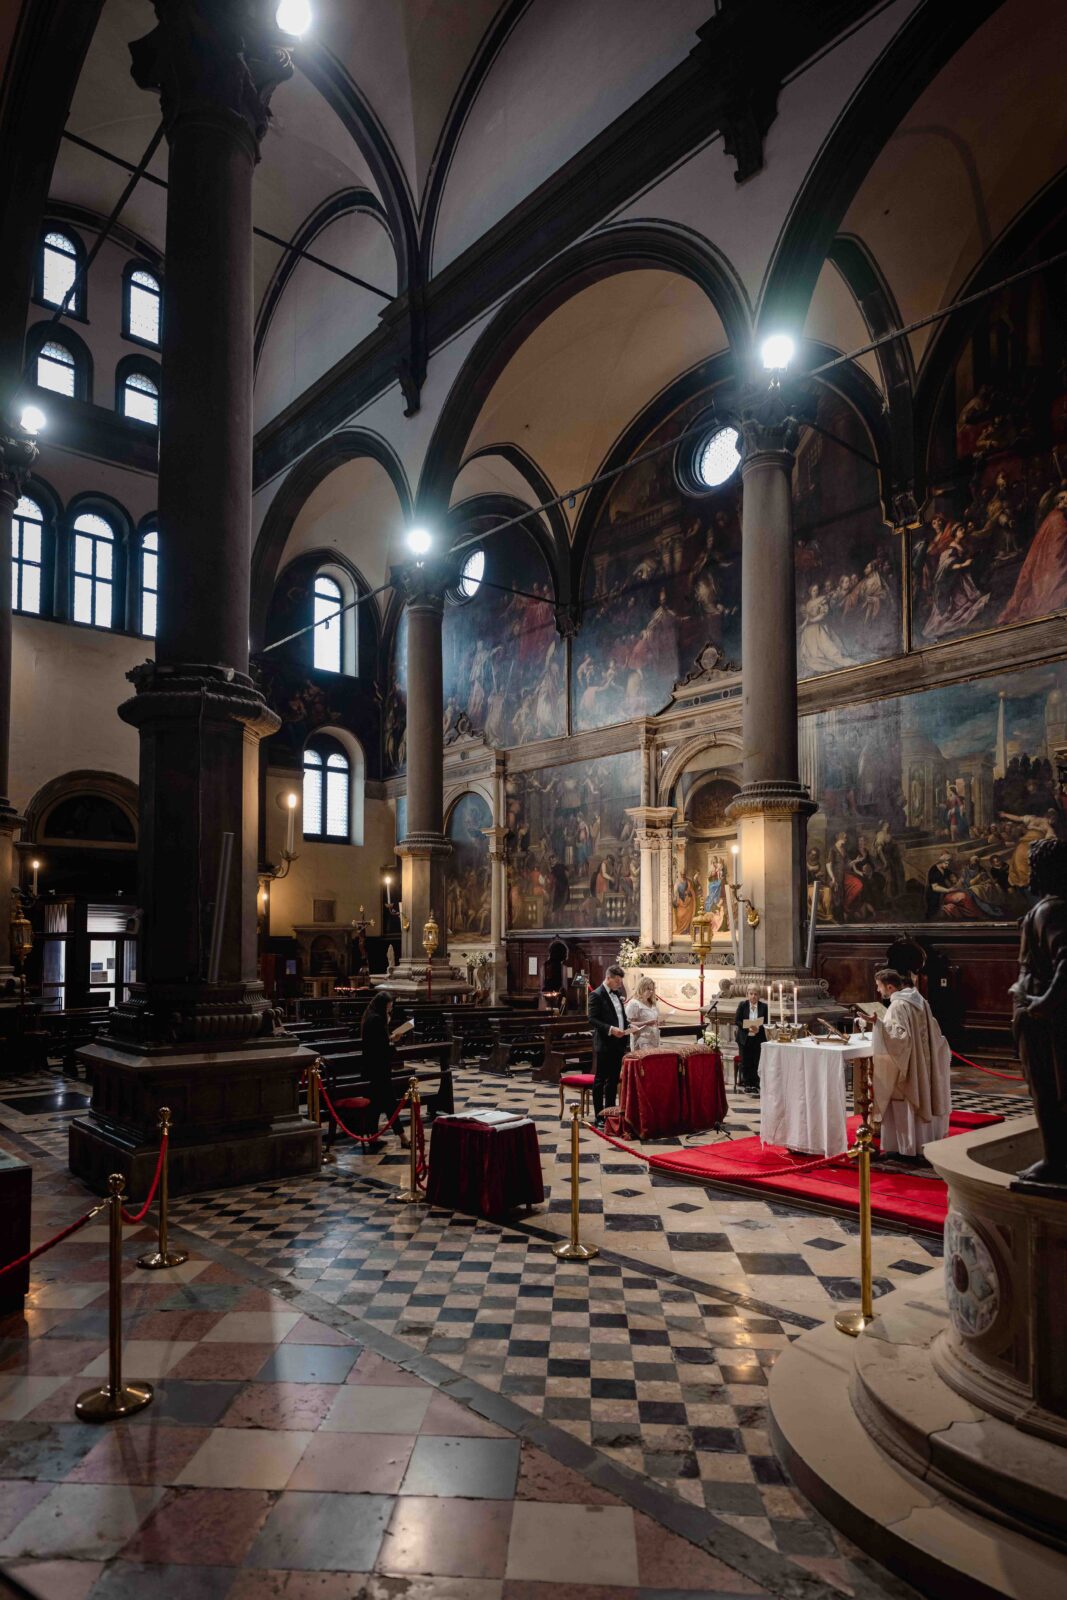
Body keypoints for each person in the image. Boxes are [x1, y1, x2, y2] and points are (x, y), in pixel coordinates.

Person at [870, 967, 951, 1158]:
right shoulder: (920, 1000)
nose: (879, 991)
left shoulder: (898, 1006)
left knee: (903, 1101)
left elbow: (898, 1039)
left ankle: (904, 1148)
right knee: (921, 1097)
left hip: (908, 1067)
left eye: (879, 987)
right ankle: (923, 1143)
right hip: (922, 1062)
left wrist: (878, 1025)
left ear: (890, 987)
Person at [360, 990, 410, 1149]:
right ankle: (403, 1138)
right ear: (383, 1005)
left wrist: (390, 1037)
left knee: (375, 1105)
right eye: (389, 1006)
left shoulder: (371, 1016)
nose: (391, 1009)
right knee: (390, 1104)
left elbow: (378, 1041)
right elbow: (381, 1048)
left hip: (372, 1068)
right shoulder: (376, 1019)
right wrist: (393, 1045)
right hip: (378, 1069)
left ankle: (373, 1137)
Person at [589, 963, 629, 1121]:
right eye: (617, 980)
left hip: (618, 1043)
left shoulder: (617, 993)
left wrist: (628, 1026)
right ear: (608, 978)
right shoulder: (596, 995)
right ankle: (599, 1116)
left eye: (620, 981)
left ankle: (610, 1113)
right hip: (605, 1043)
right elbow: (592, 1019)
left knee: (613, 1080)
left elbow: (620, 1016)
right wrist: (611, 1029)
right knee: (600, 1080)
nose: (620, 984)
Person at [734, 983, 767, 1092]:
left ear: (759, 995)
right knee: (746, 1061)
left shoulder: (764, 1006)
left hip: (758, 1037)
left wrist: (759, 1028)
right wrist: (747, 1027)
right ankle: (747, 1083)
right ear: (747, 994)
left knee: (756, 1060)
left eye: (756, 994)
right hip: (745, 1037)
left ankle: (756, 1083)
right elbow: (737, 1020)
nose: (753, 996)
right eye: (751, 994)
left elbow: (766, 1022)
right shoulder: (742, 1005)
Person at [625, 975, 661, 1051]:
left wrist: (659, 1021)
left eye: (652, 989)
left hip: (654, 1038)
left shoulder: (652, 1003)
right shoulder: (634, 1003)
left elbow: (655, 1019)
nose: (651, 991)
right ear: (641, 987)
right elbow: (629, 1024)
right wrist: (646, 1023)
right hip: (641, 1040)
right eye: (648, 989)